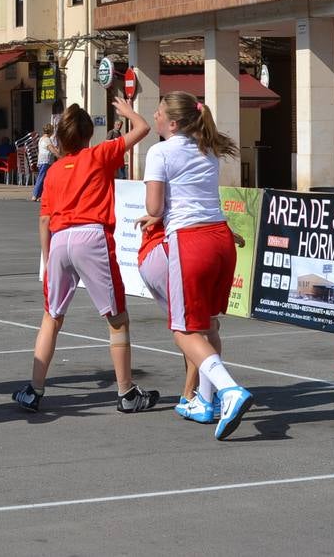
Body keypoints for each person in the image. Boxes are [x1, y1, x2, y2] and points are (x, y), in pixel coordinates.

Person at [13, 96, 156, 414]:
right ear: (89, 134)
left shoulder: (52, 173)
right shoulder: (99, 154)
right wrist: (128, 112)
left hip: (60, 240)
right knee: (117, 319)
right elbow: (144, 128)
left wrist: (48, 259)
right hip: (91, 236)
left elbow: (44, 220)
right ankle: (126, 392)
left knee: (51, 316)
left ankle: (34, 390)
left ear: (60, 138)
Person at [135, 91, 253, 441]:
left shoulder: (160, 152)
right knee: (208, 324)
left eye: (156, 113)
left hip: (191, 242)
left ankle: (229, 389)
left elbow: (155, 209)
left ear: (171, 122)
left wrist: (152, 213)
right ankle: (204, 399)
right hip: (220, 238)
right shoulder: (208, 148)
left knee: (184, 329)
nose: (153, 117)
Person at [30, 123, 58, 201]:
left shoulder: (42, 139)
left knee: (45, 178)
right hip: (46, 161)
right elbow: (52, 149)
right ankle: (35, 195)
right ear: (51, 131)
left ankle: (40, 196)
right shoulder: (47, 140)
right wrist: (60, 156)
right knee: (42, 178)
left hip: (42, 160)